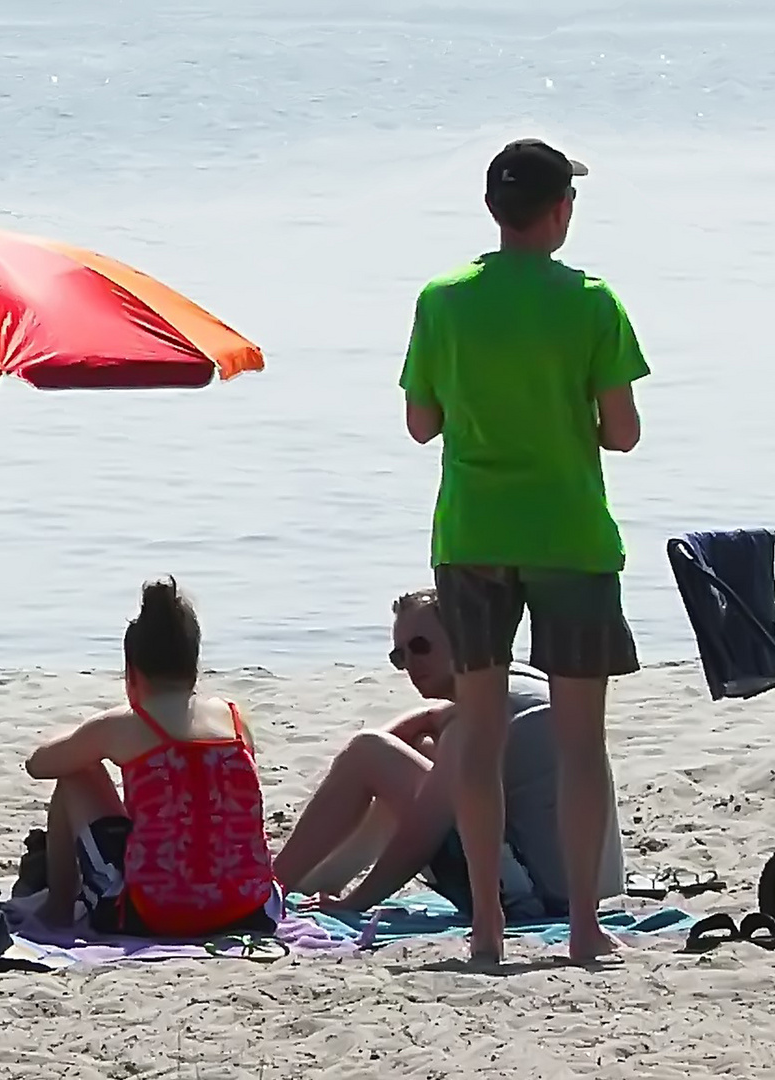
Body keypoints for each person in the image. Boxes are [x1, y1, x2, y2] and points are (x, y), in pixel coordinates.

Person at [401, 137, 649, 964]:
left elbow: (421, 423)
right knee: (581, 743)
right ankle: (582, 926)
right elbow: (623, 433)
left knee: (477, 735)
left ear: (491, 211)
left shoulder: (442, 299)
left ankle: (485, 929)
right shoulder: (592, 301)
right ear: (560, 212)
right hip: (569, 536)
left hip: (472, 532)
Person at [275, 589, 625, 920]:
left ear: (462, 639)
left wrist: (356, 904)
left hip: (537, 899)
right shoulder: (514, 682)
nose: (412, 663)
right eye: (401, 656)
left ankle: (271, 885)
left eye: (422, 646)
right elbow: (428, 720)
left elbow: (420, 835)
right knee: (415, 750)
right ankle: (318, 880)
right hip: (586, 890)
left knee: (369, 751)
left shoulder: (480, 714)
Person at [20, 578, 278, 937]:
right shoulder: (234, 719)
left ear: (132, 673)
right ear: (194, 667)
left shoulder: (124, 724)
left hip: (152, 913)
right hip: (251, 907)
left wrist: (71, 737)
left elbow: (39, 765)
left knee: (75, 772)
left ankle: (58, 907)